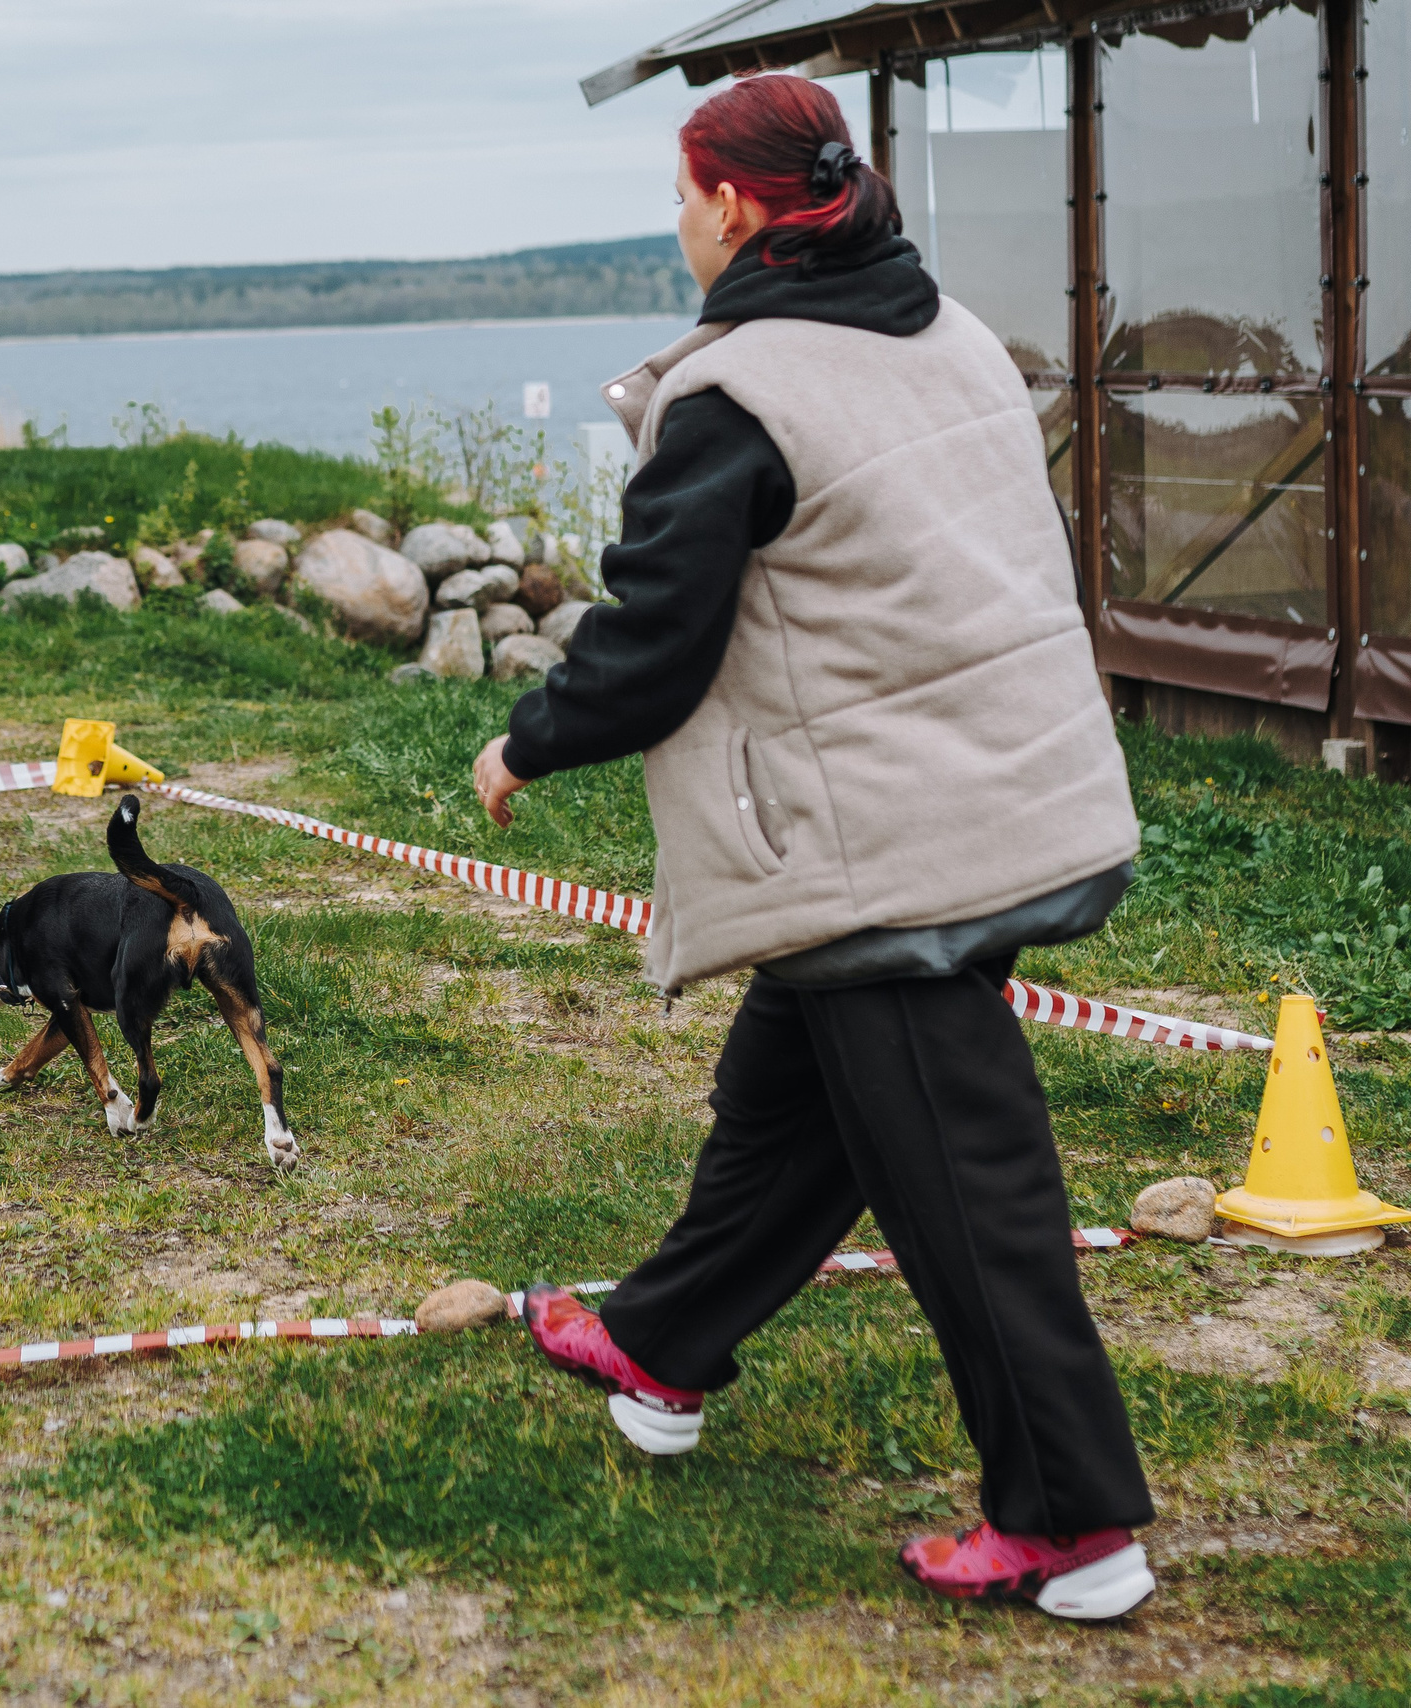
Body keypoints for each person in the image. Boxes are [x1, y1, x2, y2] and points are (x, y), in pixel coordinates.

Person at [471, 73, 1156, 1621]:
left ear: (729, 207)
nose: (675, 221)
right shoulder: (950, 332)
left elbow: (655, 642)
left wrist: (530, 737)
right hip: (1008, 792)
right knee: (786, 1105)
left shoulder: (741, 393)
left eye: (678, 195)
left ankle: (1075, 1527)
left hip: (895, 851)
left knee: (969, 1196)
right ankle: (662, 1343)